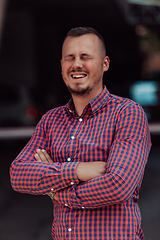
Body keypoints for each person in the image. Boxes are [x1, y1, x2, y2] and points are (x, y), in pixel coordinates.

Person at [10, 27, 151, 240]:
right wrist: (78, 171)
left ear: (105, 64)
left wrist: (57, 192)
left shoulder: (127, 113)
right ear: (61, 66)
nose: (76, 64)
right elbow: (18, 174)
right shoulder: (50, 120)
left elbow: (119, 185)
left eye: (85, 57)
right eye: (70, 58)